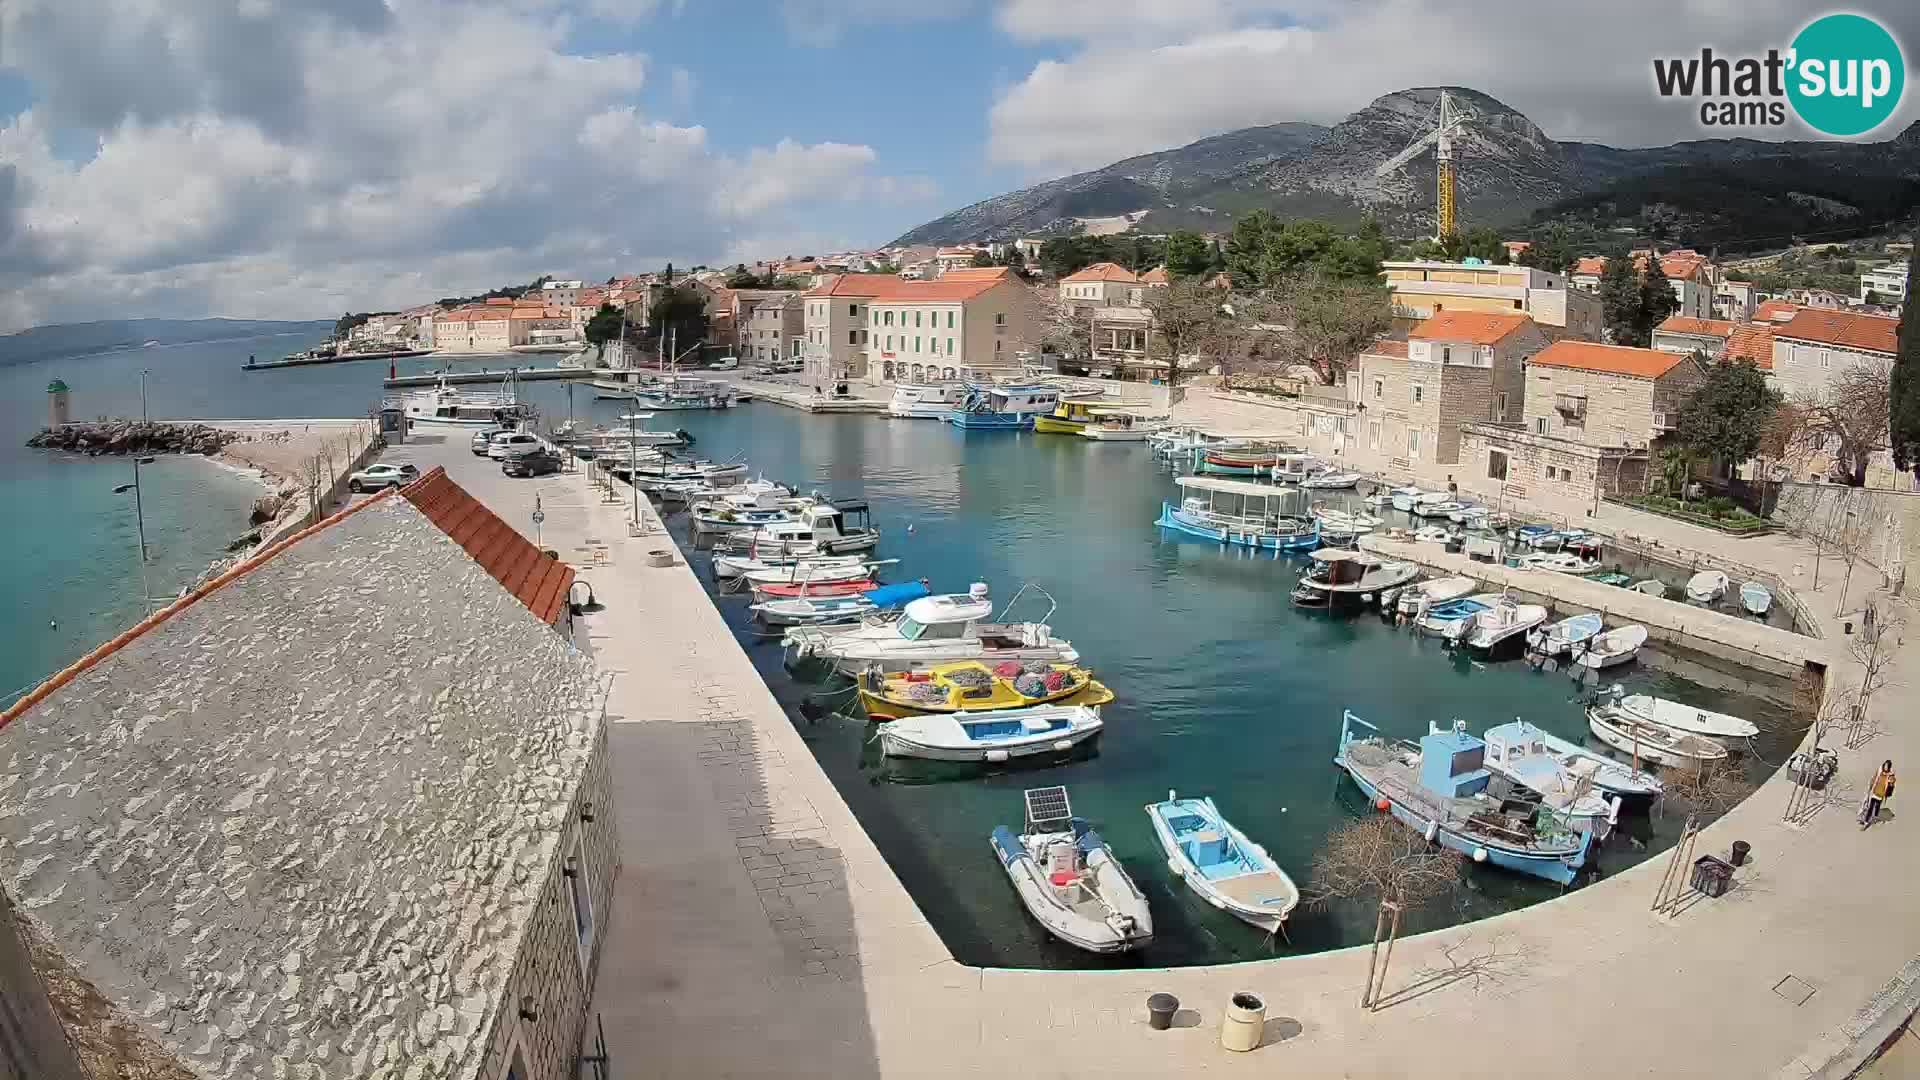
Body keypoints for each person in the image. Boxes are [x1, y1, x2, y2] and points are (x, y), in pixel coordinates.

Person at [1862, 760, 1896, 828]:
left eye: (1887, 766)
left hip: (1881, 794)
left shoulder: (1890, 775)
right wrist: (1871, 785)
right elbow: (1874, 778)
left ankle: (1875, 817)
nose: (1885, 767)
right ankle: (1866, 821)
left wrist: (1891, 780)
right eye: (1885, 765)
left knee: (1877, 807)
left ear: (1889, 767)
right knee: (1870, 807)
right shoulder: (1879, 771)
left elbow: (1892, 782)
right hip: (1875, 792)